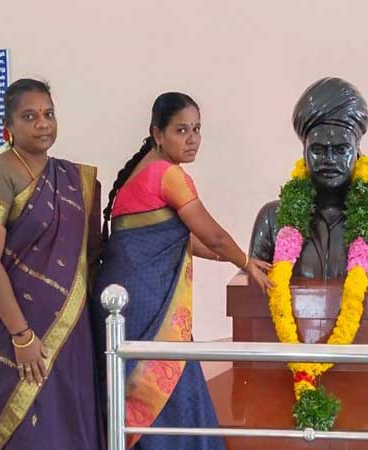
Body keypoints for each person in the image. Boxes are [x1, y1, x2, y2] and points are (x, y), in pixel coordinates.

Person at [93, 92, 271, 450]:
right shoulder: (168, 174)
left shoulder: (140, 171)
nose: (192, 139)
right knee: (169, 390)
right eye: (181, 130)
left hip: (119, 303)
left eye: (197, 129)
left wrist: (230, 258)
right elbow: (214, 236)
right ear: (157, 134)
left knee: (136, 396)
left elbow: (180, 239)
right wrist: (245, 263)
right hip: (148, 311)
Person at [0, 79, 103, 450]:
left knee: (68, 421)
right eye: (29, 116)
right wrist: (22, 335)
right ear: (7, 127)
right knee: (29, 432)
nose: (43, 123)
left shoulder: (72, 178)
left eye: (48, 114)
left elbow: (89, 253)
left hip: (69, 329)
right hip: (11, 331)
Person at [249, 77, 368, 278]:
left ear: (357, 153)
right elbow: (251, 288)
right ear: (304, 153)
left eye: (341, 150)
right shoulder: (272, 218)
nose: (329, 159)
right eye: (318, 149)